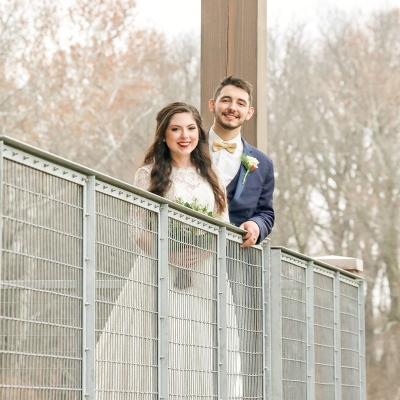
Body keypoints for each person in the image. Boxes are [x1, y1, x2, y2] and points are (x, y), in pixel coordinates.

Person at [96, 102, 242, 398]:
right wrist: (171, 255)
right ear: (164, 135)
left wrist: (201, 253)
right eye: (176, 129)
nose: (184, 135)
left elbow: (222, 227)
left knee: (203, 343)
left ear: (199, 133)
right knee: (162, 340)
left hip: (203, 275)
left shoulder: (211, 176)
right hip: (159, 270)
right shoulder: (147, 175)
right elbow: (137, 231)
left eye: (190, 129)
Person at [208, 76, 275, 247]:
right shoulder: (187, 148)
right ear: (212, 105)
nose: (232, 108)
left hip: (233, 260)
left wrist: (256, 225)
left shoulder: (263, 164)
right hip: (179, 250)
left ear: (249, 113)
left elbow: (265, 213)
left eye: (240, 103)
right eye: (226, 100)